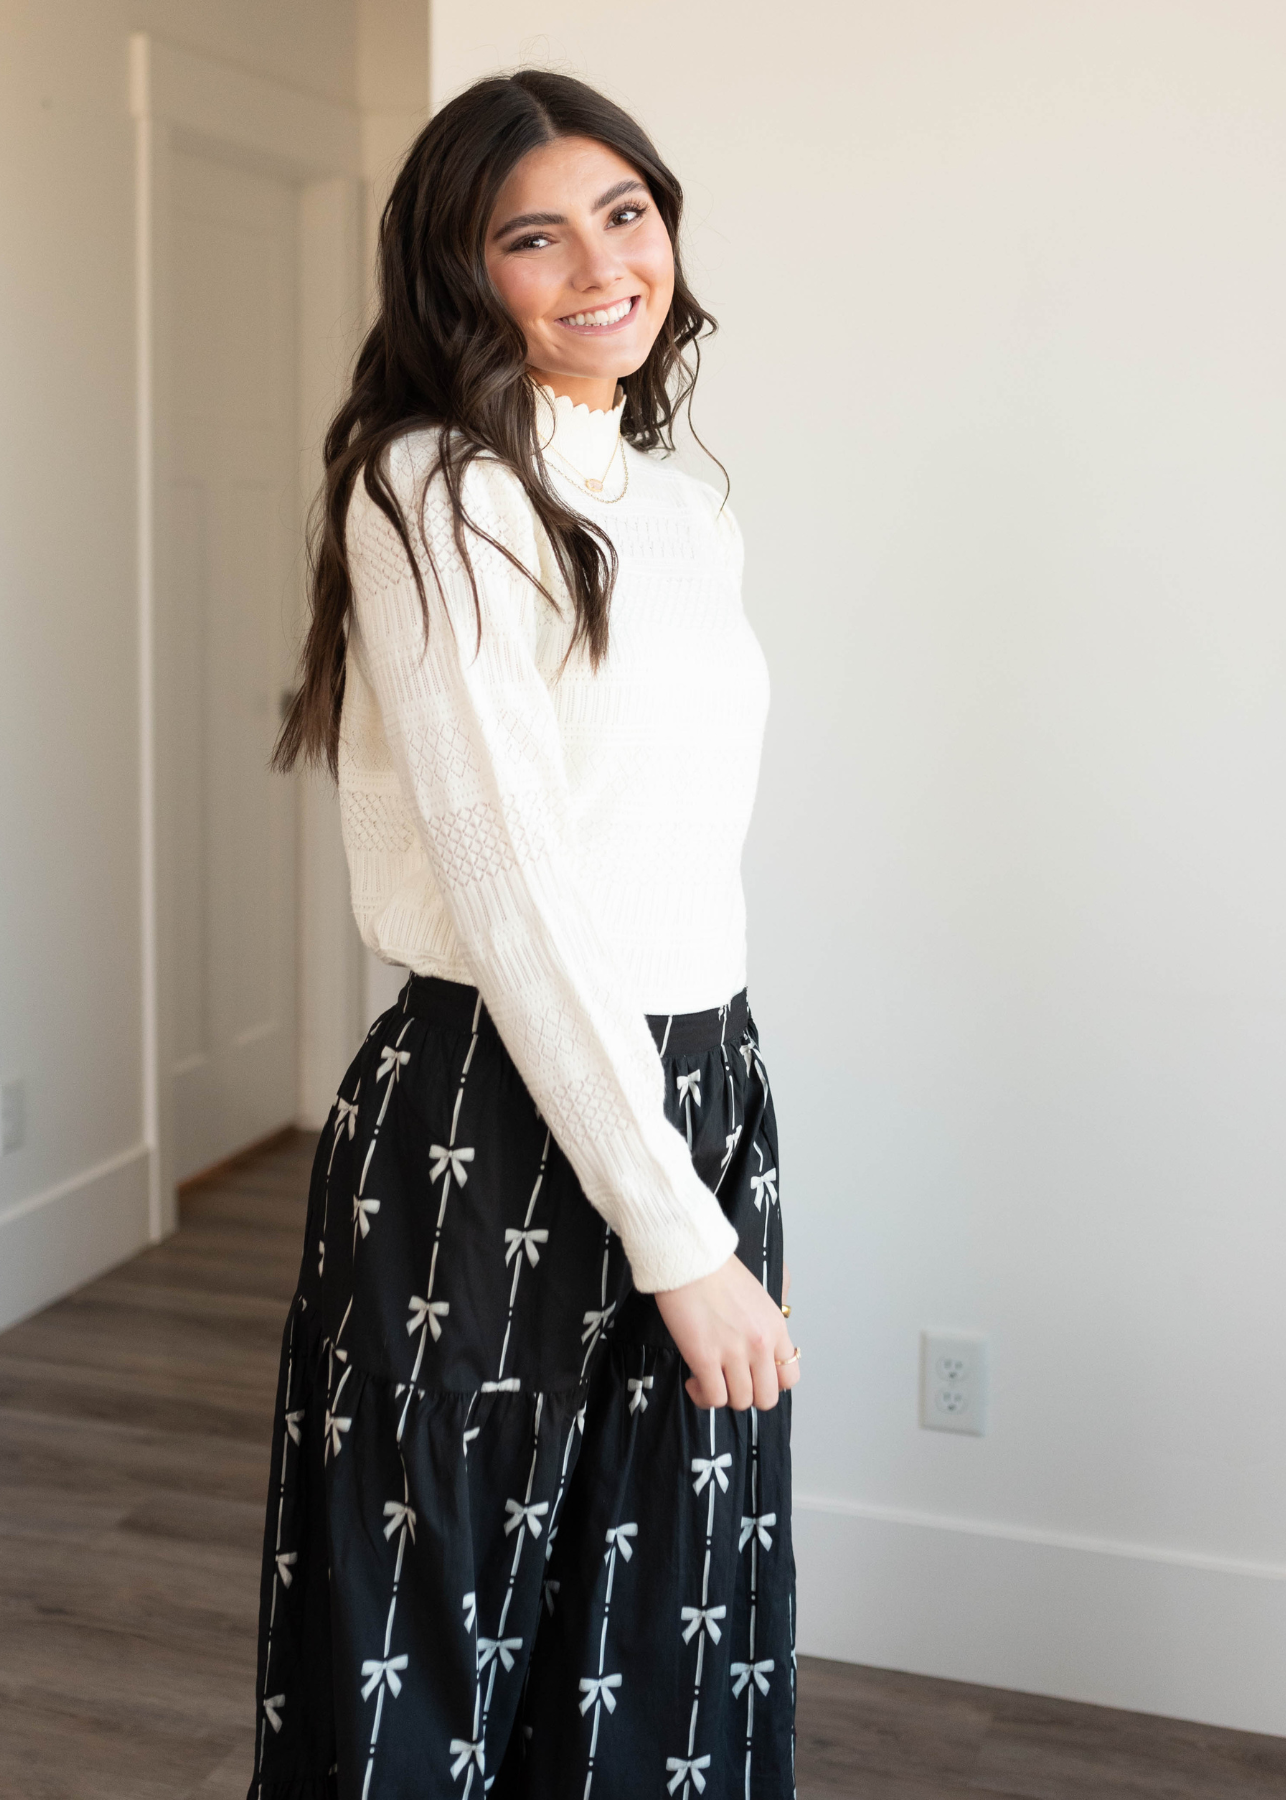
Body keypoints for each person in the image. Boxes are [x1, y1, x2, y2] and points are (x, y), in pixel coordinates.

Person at [252, 68, 799, 1800]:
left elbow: (666, 853)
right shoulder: (438, 489)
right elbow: (514, 889)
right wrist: (674, 1231)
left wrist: (697, 1175)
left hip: (693, 1077)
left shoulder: (680, 502)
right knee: (427, 1656)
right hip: (491, 1103)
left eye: (622, 214)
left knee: (668, 1647)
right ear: (454, 272)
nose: (597, 268)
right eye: (532, 237)